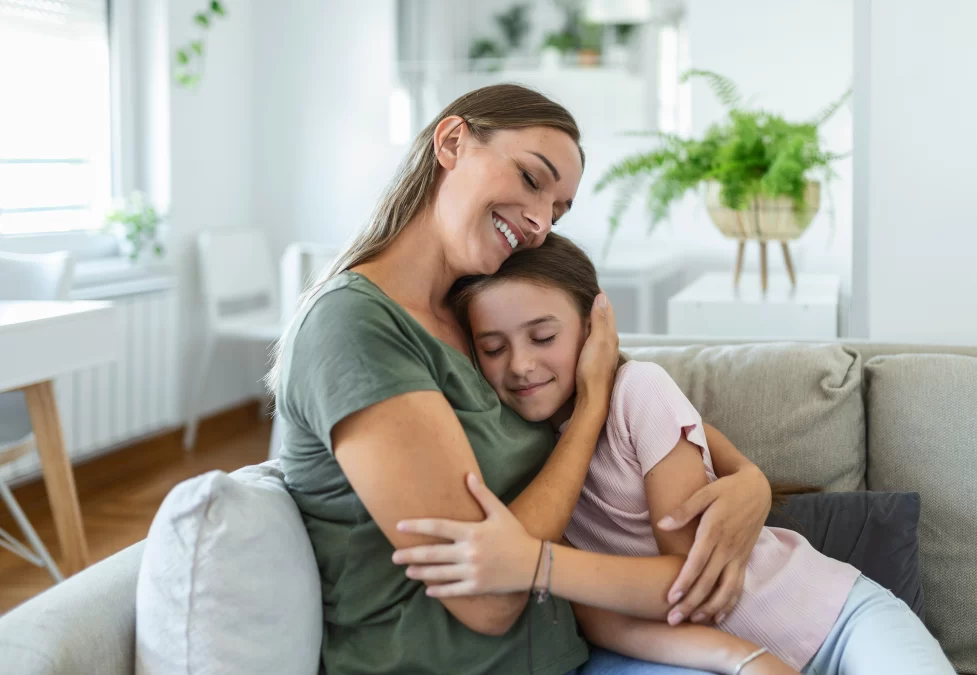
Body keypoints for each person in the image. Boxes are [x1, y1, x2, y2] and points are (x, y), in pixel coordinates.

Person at [269, 84, 773, 674]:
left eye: (558, 211)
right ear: (452, 143)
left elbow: (641, 405)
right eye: (532, 179)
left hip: (583, 652)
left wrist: (751, 481)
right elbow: (488, 599)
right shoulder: (355, 326)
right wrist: (588, 412)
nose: (539, 223)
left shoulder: (474, 316)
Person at [392, 234, 957, 675]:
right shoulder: (514, 454)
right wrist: (742, 659)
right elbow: (603, 621)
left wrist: (533, 563)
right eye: (493, 348)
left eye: (543, 337)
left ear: (594, 328)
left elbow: (692, 581)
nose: (520, 365)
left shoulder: (639, 391)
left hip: (839, 619)